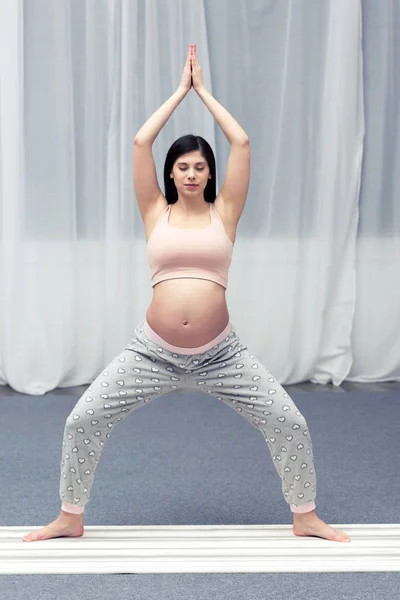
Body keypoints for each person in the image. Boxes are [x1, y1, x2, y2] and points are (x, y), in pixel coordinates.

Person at [23, 44, 350, 543]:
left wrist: (206, 94)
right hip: (152, 352)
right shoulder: (155, 210)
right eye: (183, 167)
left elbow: (240, 142)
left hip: (221, 353)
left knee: (288, 419)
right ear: (171, 174)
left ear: (210, 173)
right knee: (83, 419)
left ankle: (304, 515)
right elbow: (139, 142)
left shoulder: (227, 213)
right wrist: (179, 93)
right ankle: (70, 516)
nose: (192, 173)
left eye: (200, 166)